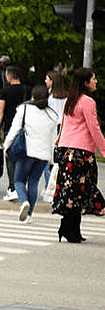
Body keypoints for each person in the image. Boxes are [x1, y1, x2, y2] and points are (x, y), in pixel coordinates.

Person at [52, 68, 105, 243]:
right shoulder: (88, 102)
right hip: (81, 153)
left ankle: (71, 228)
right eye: (93, 79)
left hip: (67, 151)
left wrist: (59, 142)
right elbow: (94, 128)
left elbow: (64, 124)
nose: (96, 81)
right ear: (85, 83)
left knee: (71, 192)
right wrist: (104, 150)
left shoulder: (71, 100)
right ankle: (69, 229)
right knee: (80, 191)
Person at [3, 86, 58, 222]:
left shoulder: (24, 109)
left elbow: (14, 129)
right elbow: (53, 140)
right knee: (33, 183)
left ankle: (24, 202)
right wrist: (51, 160)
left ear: (32, 96)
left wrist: (6, 146)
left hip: (27, 151)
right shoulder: (52, 115)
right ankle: (29, 215)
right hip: (43, 155)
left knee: (19, 180)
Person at [0, 65, 32, 201]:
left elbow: (0, 111)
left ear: (9, 76)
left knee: (10, 157)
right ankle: (21, 185)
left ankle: (12, 187)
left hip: (10, 127)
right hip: (27, 128)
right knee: (23, 157)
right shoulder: (28, 90)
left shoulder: (5, 91)